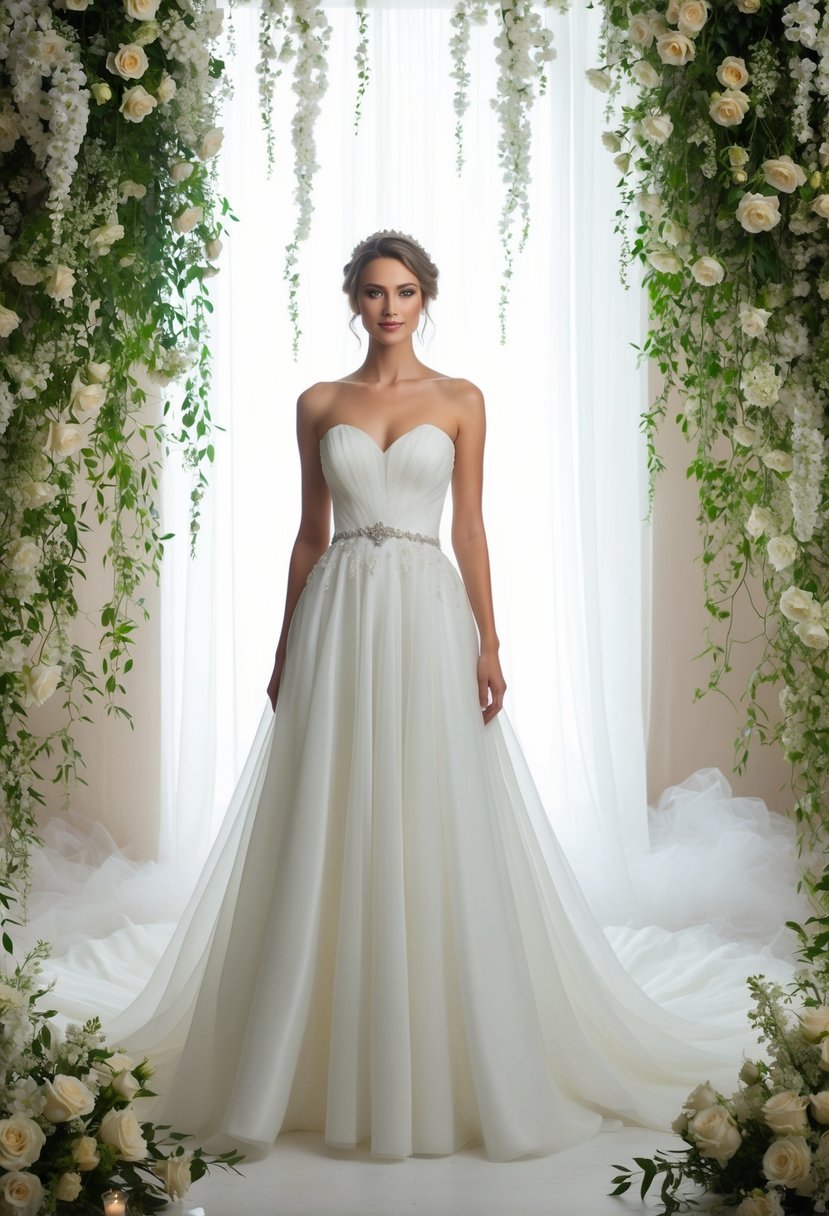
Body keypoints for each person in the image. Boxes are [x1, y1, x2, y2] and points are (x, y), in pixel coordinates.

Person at [100, 230, 767, 1163]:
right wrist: (286, 641)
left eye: (404, 291)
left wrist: (489, 640)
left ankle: (443, 1057)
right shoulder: (318, 402)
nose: (388, 308)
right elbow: (306, 534)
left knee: (424, 808)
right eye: (373, 292)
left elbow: (472, 530)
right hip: (338, 613)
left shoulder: (460, 401)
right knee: (328, 811)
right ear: (352, 300)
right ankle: (302, 1053)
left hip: (423, 613)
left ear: (425, 299)